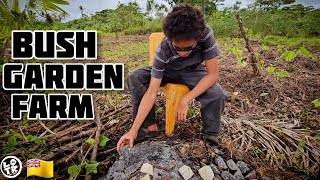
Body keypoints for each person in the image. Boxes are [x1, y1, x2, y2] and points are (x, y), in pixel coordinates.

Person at [117, 4, 228, 153]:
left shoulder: (205, 33)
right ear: (170, 39)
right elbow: (151, 92)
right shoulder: (163, 48)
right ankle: (148, 126)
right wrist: (132, 131)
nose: (183, 53)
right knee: (136, 77)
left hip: (193, 70)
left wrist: (185, 99)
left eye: (188, 48)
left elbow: (212, 74)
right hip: (168, 70)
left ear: (197, 37)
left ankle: (211, 134)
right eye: (178, 48)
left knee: (217, 94)